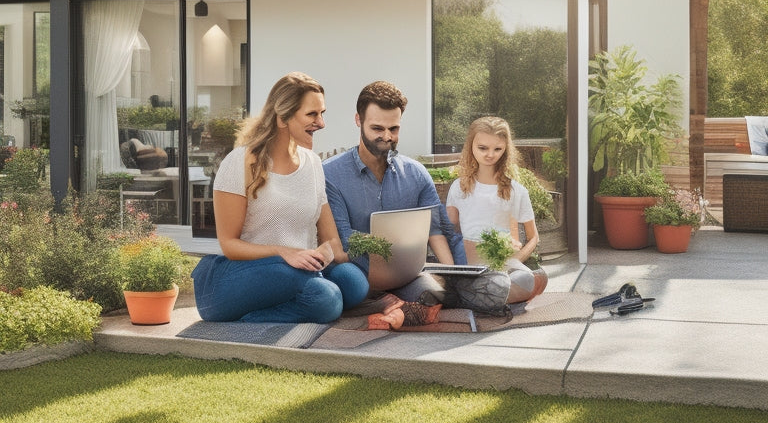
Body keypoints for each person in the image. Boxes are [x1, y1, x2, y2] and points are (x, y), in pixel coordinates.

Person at [191, 72, 369, 323]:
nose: (321, 123)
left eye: (322, 113)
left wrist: (327, 253)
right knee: (326, 299)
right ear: (283, 118)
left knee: (354, 284)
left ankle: (280, 305)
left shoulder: (314, 164)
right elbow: (229, 245)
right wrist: (284, 253)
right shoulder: (240, 163)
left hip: (297, 272)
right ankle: (246, 315)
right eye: (312, 114)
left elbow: (331, 241)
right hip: (244, 276)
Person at [323, 81, 463, 305]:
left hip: (405, 276)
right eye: (377, 129)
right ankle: (382, 303)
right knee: (350, 284)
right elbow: (343, 237)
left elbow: (437, 229)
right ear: (358, 120)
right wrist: (389, 243)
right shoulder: (330, 174)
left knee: (436, 297)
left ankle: (389, 304)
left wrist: (452, 275)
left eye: (394, 129)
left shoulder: (416, 174)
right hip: (356, 274)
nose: (387, 136)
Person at [446, 116, 548, 304]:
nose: (490, 155)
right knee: (519, 283)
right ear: (471, 147)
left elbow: (533, 237)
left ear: (506, 149)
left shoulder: (517, 190)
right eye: (482, 148)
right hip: (469, 265)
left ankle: (479, 296)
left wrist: (515, 259)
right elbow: (451, 232)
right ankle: (484, 294)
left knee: (528, 279)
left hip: (504, 264)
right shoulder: (458, 188)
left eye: (497, 149)